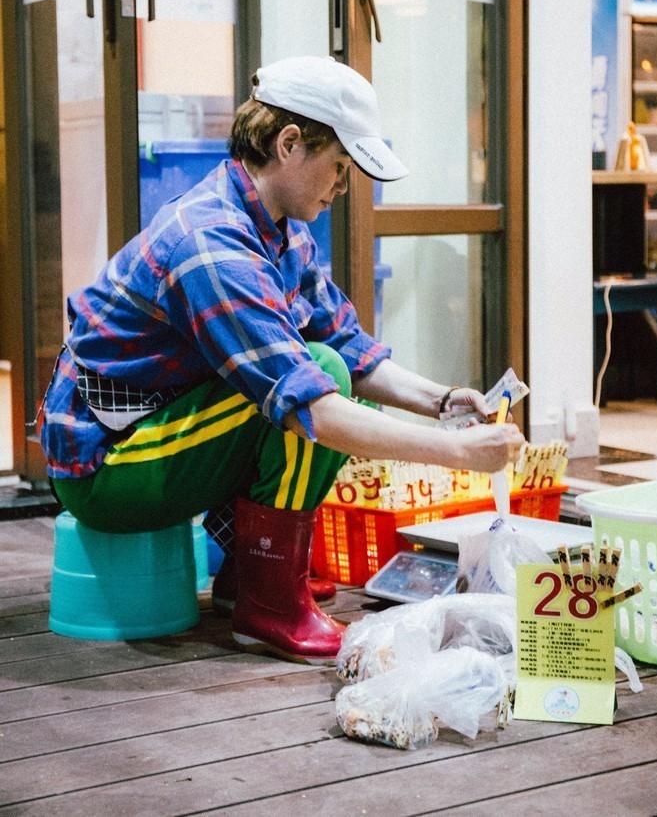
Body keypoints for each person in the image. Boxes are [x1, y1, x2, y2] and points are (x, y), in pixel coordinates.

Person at [40, 56, 524, 666]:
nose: (345, 186)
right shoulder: (210, 242)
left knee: (330, 366)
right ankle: (267, 603)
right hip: (105, 468)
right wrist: (456, 454)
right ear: (289, 144)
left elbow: (348, 344)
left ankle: (252, 575)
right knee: (313, 388)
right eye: (340, 167)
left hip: (161, 432)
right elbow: (310, 405)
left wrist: (444, 403)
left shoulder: (276, 227)